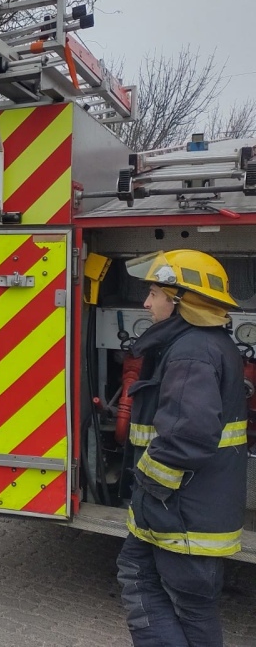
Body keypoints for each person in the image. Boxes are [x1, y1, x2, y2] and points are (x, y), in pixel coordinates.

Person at [117, 250, 246, 647]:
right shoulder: (205, 344)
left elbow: (186, 439)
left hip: (180, 514)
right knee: (157, 586)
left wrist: (148, 489)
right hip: (184, 511)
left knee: (186, 605)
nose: (146, 303)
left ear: (179, 301)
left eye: (154, 293)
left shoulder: (193, 351)